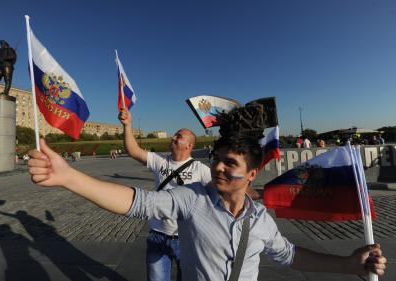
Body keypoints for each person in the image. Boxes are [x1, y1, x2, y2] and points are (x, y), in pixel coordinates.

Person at [28, 102, 386, 281]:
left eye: (230, 163)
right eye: (216, 159)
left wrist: (349, 265)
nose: (218, 167)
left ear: (252, 173)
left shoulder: (260, 219)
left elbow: (291, 255)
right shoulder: (192, 198)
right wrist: (70, 177)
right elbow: (138, 203)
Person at [118, 107, 211, 281]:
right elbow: (133, 150)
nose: (173, 137)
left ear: (189, 145)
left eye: (179, 136)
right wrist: (127, 124)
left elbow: (217, 197)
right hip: (157, 234)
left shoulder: (201, 170)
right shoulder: (159, 161)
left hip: (187, 237)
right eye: (174, 134)